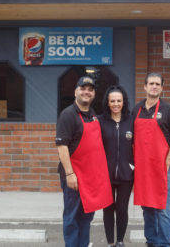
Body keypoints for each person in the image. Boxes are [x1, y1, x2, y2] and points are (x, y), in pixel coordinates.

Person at [55, 76, 113, 247]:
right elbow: (61, 146)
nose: (86, 92)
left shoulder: (92, 114)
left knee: (87, 215)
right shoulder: (68, 115)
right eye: (83, 88)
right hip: (74, 176)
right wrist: (70, 173)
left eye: (90, 89)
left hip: (90, 176)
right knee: (72, 216)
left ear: (94, 93)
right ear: (76, 91)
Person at [132, 72, 170, 247]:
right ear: (145, 86)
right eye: (151, 83)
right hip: (142, 169)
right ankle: (151, 241)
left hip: (161, 168)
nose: (154, 86)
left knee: (162, 209)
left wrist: (167, 162)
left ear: (162, 88)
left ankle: (165, 244)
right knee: (147, 208)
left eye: (157, 84)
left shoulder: (169, 110)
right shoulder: (136, 109)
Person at [98, 85, 135, 247]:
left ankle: (120, 241)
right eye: (112, 101)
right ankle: (110, 242)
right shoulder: (99, 121)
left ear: (124, 102)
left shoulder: (131, 121)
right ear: (107, 103)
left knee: (121, 209)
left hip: (126, 175)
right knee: (108, 210)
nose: (115, 104)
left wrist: (134, 166)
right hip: (105, 174)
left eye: (119, 101)